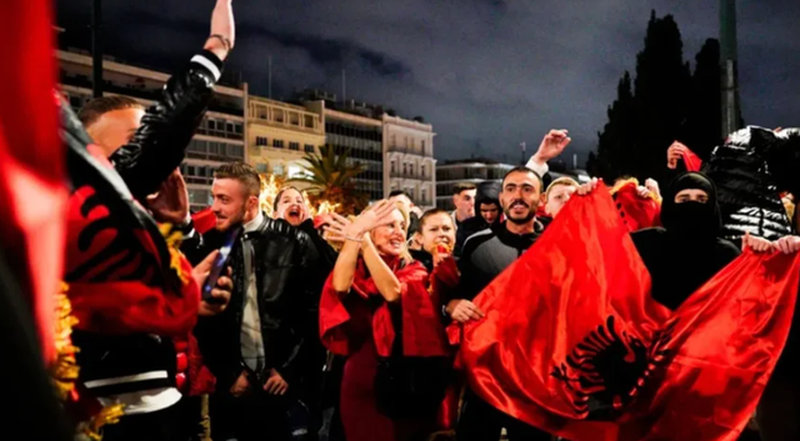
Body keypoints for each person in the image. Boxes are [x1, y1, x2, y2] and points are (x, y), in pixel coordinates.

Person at [194, 162, 317, 441]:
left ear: (251, 203)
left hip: (282, 388)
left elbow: (312, 313)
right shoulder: (208, 244)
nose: (215, 207)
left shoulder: (295, 241)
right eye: (214, 197)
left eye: (224, 199)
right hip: (230, 390)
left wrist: (289, 371)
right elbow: (202, 320)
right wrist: (228, 373)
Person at [320, 200, 451, 441]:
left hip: (404, 384)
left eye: (402, 225)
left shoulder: (416, 269)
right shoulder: (354, 265)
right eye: (390, 225)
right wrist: (355, 237)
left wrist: (363, 241)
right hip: (360, 383)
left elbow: (392, 292)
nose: (399, 231)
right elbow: (338, 287)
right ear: (370, 230)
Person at [450, 166, 553, 441]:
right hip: (485, 374)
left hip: (535, 379)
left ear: (541, 200)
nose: (518, 196)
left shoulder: (558, 245)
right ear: (502, 199)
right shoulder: (476, 244)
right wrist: (451, 306)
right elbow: (458, 295)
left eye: (527, 189)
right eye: (510, 189)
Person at [579, 172, 740, 311]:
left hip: (705, 343)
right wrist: (585, 206)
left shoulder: (728, 255)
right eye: (684, 200)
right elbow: (594, 258)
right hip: (647, 341)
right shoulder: (645, 243)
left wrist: (762, 252)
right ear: (670, 204)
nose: (693, 205)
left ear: (712, 206)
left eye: (702, 199)